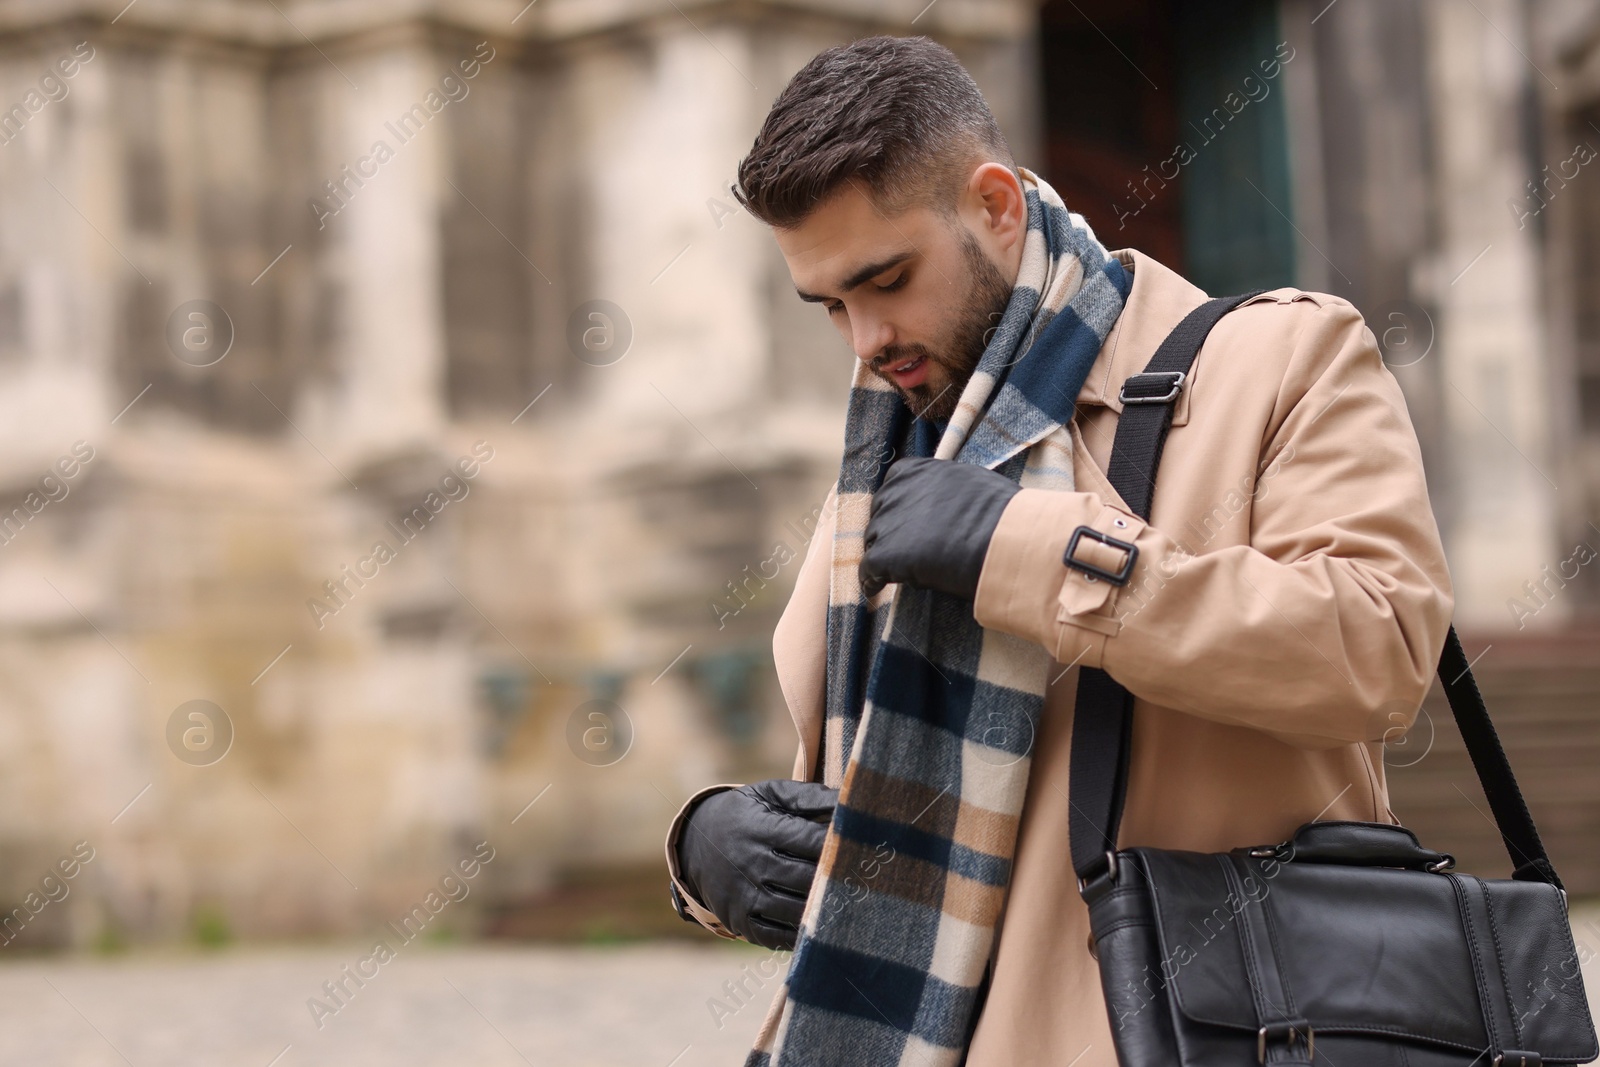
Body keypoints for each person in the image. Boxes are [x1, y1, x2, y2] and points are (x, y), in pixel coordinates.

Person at [663, 33, 1453, 1067]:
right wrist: (706, 849)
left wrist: (1029, 551)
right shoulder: (897, 446)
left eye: (887, 279)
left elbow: (1379, 647)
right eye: (831, 307)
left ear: (993, 204)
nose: (864, 340)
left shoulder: (1281, 359)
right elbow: (868, 794)